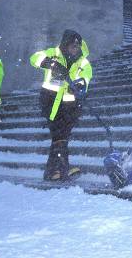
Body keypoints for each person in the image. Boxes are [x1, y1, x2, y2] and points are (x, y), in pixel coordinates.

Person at [30, 29, 92, 181]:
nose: (75, 48)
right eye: (72, 44)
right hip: (50, 101)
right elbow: (34, 58)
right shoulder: (53, 53)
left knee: (60, 137)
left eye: (77, 45)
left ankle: (51, 172)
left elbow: (86, 77)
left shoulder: (83, 62)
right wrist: (50, 64)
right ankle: (64, 169)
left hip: (70, 106)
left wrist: (79, 85)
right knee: (60, 135)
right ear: (65, 44)